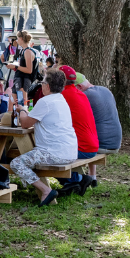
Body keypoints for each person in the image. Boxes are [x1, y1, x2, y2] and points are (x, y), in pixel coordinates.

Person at [9, 68, 78, 207]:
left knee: (16, 163)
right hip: (70, 150)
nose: (41, 85)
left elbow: (25, 124)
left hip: (54, 153)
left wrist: (22, 110)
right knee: (27, 158)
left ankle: (45, 190)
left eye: (42, 82)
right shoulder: (61, 99)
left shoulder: (45, 101)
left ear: (47, 86)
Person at [74, 72, 121, 186]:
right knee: (91, 133)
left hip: (101, 144)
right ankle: (92, 177)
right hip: (116, 141)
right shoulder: (105, 90)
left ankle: (77, 180)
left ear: (79, 87)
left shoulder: (85, 96)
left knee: (65, 147)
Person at [58, 66, 99, 193]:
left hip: (82, 148)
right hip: (92, 146)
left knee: (46, 155)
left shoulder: (61, 96)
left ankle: (77, 179)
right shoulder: (81, 94)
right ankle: (75, 181)